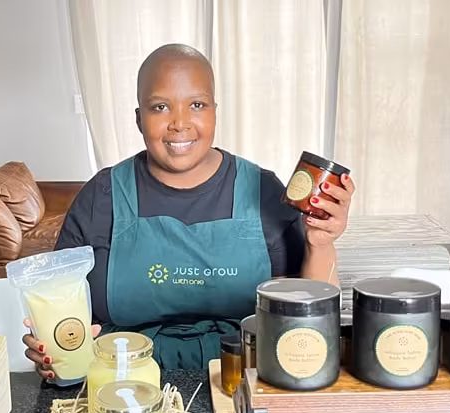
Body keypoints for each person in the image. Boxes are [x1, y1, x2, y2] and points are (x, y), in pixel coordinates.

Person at [23, 43, 355, 376]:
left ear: (214, 112)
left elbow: (306, 325)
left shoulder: (262, 190)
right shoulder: (102, 196)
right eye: (160, 107)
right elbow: (59, 311)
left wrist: (320, 244)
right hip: (121, 382)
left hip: (242, 379)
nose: (179, 123)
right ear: (139, 119)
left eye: (196, 104)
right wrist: (52, 351)